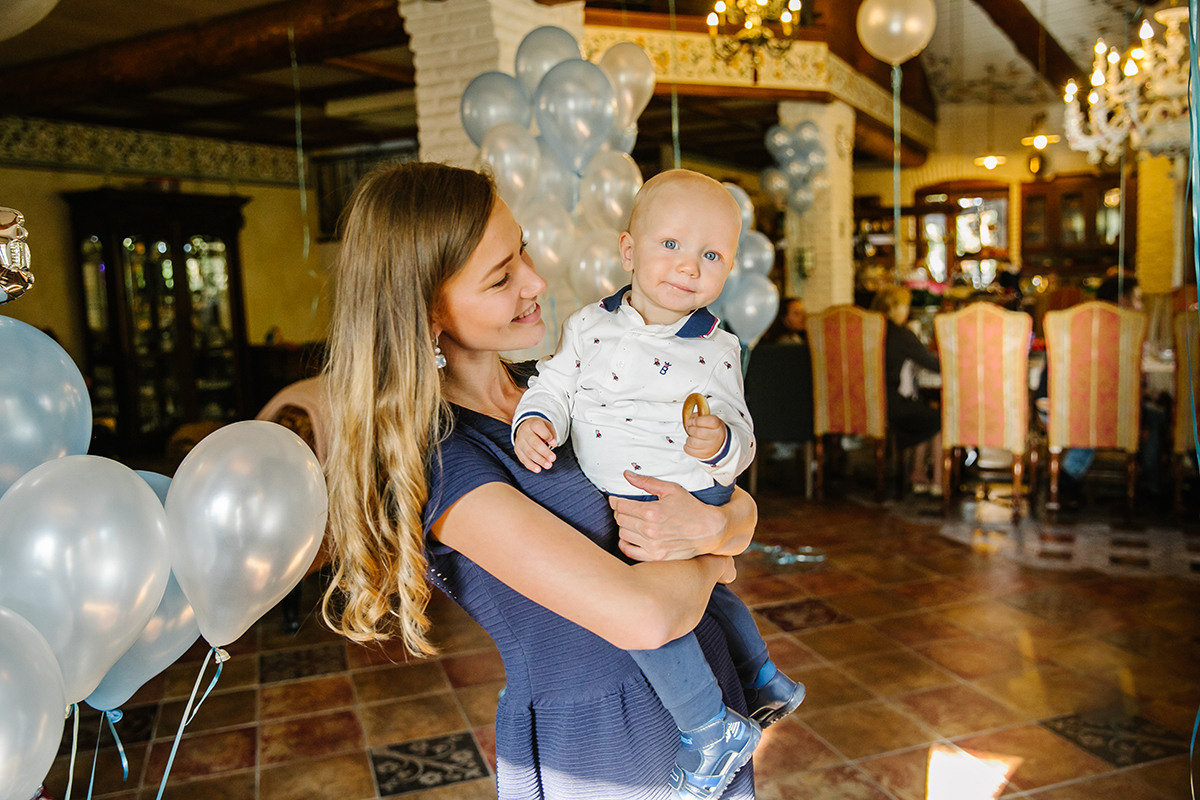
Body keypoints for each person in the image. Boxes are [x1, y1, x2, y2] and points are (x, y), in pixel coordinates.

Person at [319, 162, 761, 800]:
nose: (536, 281)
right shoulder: (447, 460)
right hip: (605, 747)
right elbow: (643, 617)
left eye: (521, 249)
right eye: (501, 277)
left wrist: (721, 524)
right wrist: (715, 558)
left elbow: (727, 498)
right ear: (427, 310)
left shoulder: (553, 388)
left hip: (708, 705)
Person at [511, 170, 805, 798]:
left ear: (728, 269)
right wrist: (535, 419)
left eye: (710, 255)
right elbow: (555, 384)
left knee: (639, 600)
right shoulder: (589, 325)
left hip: (682, 487)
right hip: (643, 494)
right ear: (628, 251)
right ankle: (762, 675)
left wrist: (721, 443)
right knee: (704, 594)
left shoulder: (718, 347)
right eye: (670, 245)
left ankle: (706, 728)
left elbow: (744, 433)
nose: (687, 267)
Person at [870, 285, 944, 494]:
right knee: (940, 420)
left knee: (924, 414)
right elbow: (933, 364)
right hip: (895, 406)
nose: (907, 311)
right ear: (893, 308)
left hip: (875, 404)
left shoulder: (874, 333)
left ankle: (918, 474)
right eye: (905, 306)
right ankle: (938, 481)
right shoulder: (901, 335)